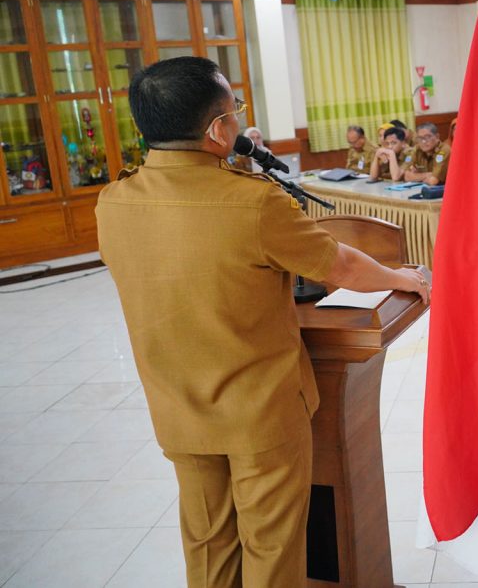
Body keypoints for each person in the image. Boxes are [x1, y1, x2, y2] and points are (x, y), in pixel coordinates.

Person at [95, 57, 429, 588]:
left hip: (179, 409)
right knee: (271, 548)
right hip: (259, 414)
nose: (238, 118)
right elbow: (340, 266)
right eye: (235, 110)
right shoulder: (249, 203)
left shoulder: (113, 201)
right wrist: (402, 277)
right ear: (217, 130)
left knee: (208, 547)